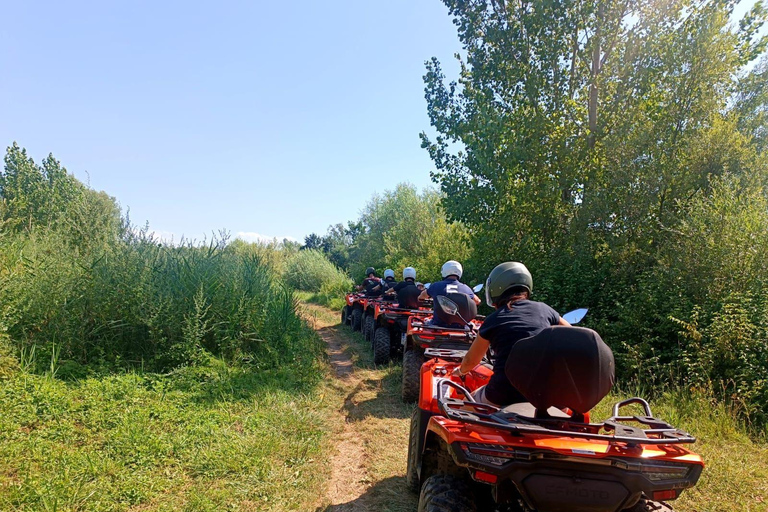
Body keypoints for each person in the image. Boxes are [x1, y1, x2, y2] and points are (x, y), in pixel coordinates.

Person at [452, 261, 570, 406]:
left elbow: (471, 361)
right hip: (546, 395)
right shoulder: (545, 310)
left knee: (465, 406)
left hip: (503, 393)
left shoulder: (494, 319)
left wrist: (461, 371)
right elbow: (571, 334)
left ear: (496, 288)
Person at [418, 260, 481, 327]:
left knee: (424, 321)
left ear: (444, 271)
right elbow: (478, 301)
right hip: (460, 326)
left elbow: (421, 296)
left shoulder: (436, 286)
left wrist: (421, 298)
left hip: (438, 325)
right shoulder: (466, 288)